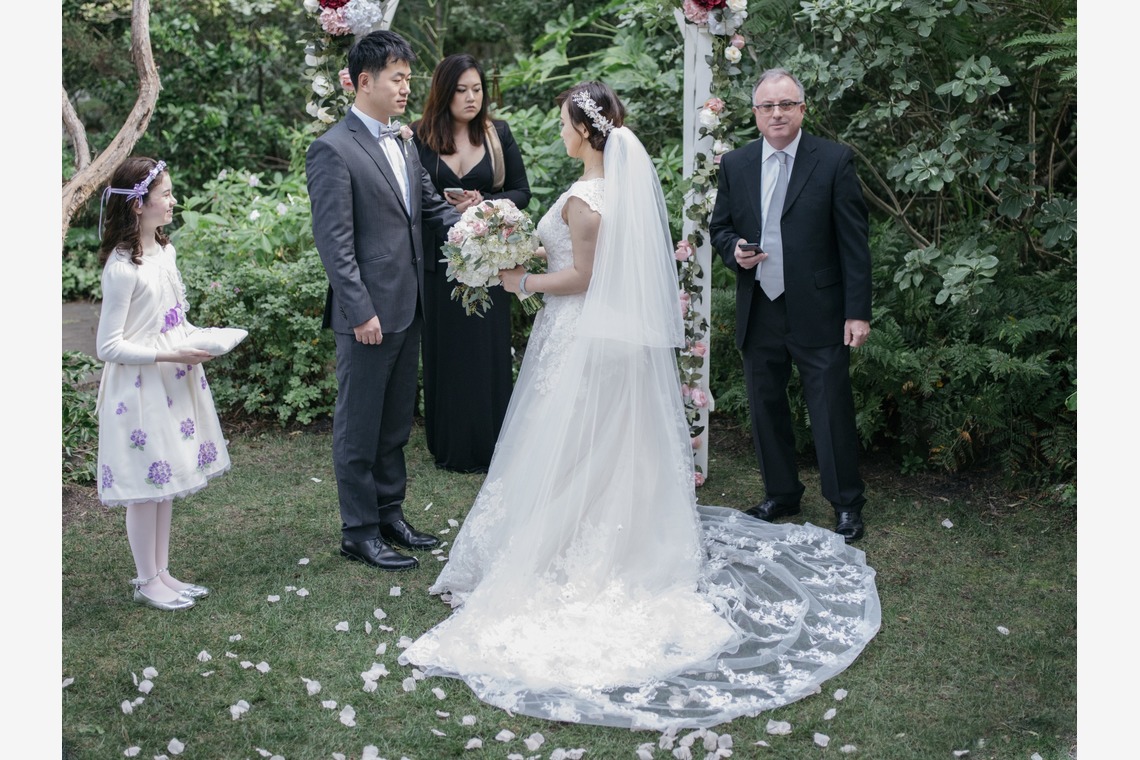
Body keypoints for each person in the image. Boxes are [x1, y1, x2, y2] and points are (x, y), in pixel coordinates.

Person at [401, 82, 880, 730]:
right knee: (603, 447)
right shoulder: (613, 191)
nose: (560, 132)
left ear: (584, 130)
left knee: (571, 446)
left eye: (564, 123)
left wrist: (520, 280)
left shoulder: (585, 199)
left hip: (580, 338)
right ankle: (616, 530)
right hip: (607, 338)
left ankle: (569, 547)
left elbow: (583, 277)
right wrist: (502, 230)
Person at [306, 30, 460, 571]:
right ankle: (359, 531)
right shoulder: (332, 149)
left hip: (408, 305)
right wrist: (360, 311)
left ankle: (390, 514)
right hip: (367, 316)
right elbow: (335, 244)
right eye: (397, 78)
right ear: (364, 81)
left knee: (394, 423)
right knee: (359, 428)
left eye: (408, 78)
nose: (405, 88)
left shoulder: (404, 140)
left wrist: (485, 229)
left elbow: (431, 208)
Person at [709, 68, 873, 542]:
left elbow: (854, 244)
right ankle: (780, 494)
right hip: (760, 304)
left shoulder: (834, 160)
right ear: (755, 113)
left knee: (830, 408)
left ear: (802, 109)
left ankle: (846, 503)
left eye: (786, 104)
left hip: (820, 308)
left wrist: (857, 311)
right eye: (767, 106)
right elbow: (720, 228)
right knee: (765, 407)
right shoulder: (736, 164)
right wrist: (735, 250)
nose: (776, 113)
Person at [95, 156, 226, 611]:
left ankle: (163, 572)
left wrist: (199, 339)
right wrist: (170, 354)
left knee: (165, 477)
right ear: (138, 204)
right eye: (166, 194)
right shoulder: (122, 268)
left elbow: (173, 317)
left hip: (172, 379)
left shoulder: (164, 251)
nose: (173, 201)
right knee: (146, 484)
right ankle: (146, 579)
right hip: (138, 388)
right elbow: (108, 346)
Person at [412, 53, 532, 473]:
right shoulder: (418, 137)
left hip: (488, 261)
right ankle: (448, 443)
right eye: (461, 90)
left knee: (486, 352)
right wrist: (442, 206)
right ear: (444, 93)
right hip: (439, 264)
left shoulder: (498, 133)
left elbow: (521, 191)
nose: (471, 97)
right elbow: (408, 197)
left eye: (477, 89)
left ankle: (490, 442)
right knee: (445, 352)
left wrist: (486, 204)